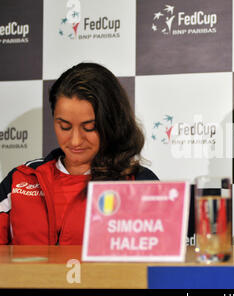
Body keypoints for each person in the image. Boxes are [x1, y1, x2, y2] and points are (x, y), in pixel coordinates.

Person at [0, 62, 158, 245]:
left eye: (89, 128)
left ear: (112, 123)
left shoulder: (140, 185)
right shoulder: (21, 179)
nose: (75, 140)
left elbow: (157, 264)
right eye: (64, 126)